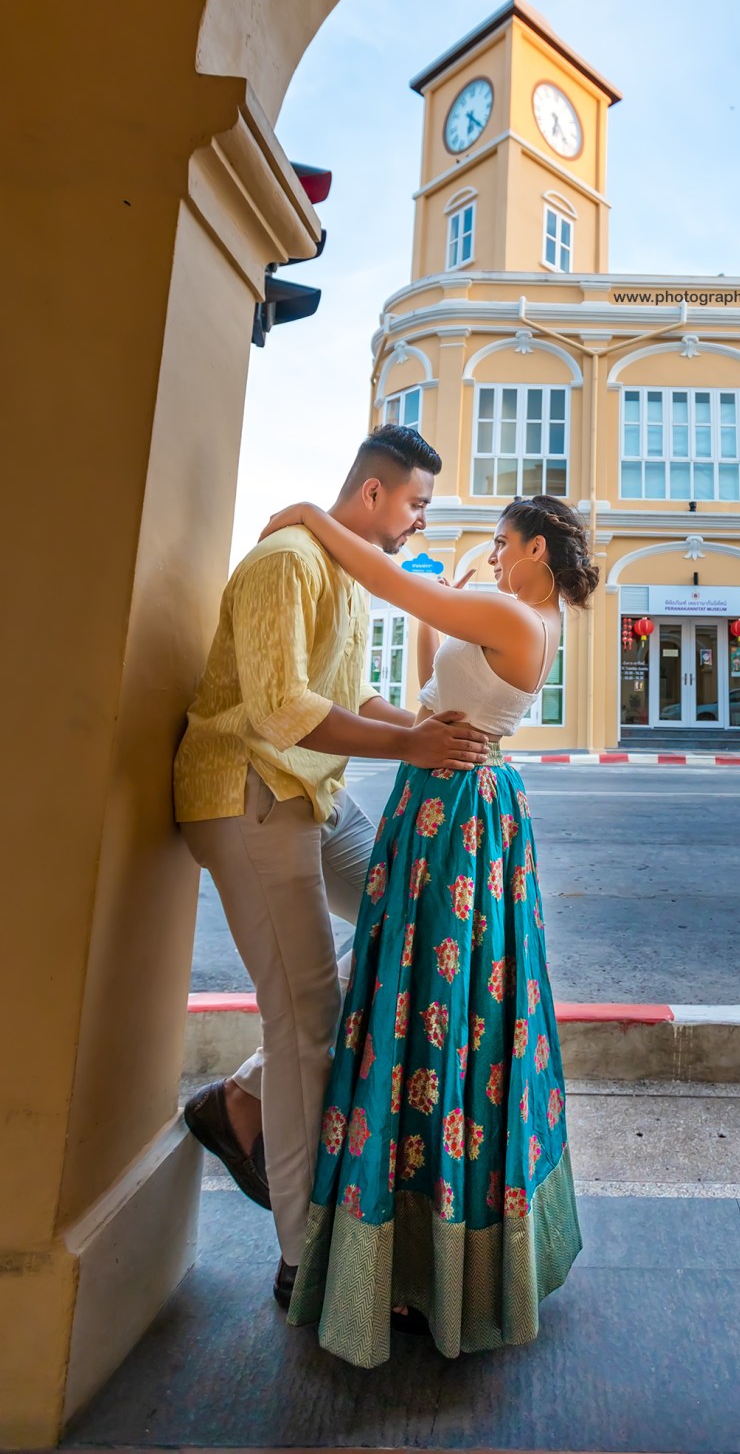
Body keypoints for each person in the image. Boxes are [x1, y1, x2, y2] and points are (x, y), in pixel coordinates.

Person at [256, 491, 597, 1365]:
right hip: (460, 806)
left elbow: (389, 582)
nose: (490, 550)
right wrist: (458, 591)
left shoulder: (508, 612)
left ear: (531, 547)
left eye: (500, 539)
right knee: (440, 1000)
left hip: (450, 814)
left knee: (424, 1001)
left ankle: (411, 1256)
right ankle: (432, 1250)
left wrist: (308, 516)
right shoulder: (525, 615)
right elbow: (432, 668)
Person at [173, 425, 489, 1310]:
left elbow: (348, 696)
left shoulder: (344, 573)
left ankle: (237, 1101)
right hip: (250, 793)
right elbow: (281, 711)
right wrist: (405, 742)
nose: (419, 524)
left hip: (311, 792)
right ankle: (306, 1256)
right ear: (375, 494)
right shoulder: (287, 561)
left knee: (414, 923)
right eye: (416, 505)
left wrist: (432, 740)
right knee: (308, 1020)